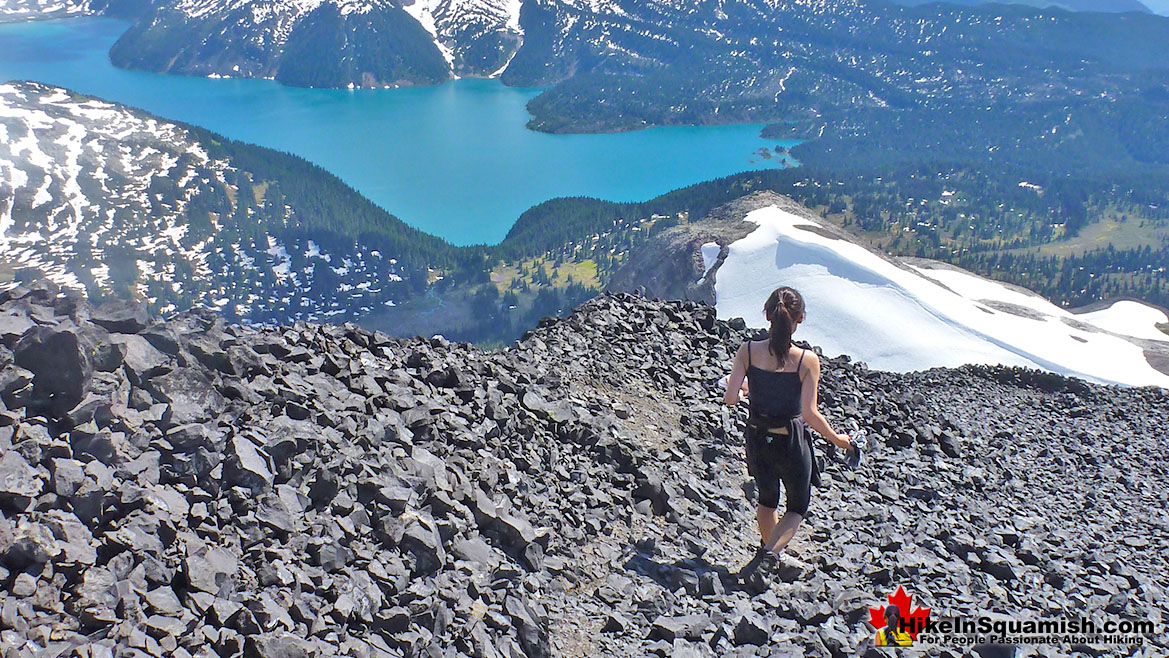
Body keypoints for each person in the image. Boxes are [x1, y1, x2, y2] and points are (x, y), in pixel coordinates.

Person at [724, 286, 856, 570]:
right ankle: (770, 558)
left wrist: (746, 389)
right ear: (799, 320)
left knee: (767, 500)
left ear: (768, 316)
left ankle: (768, 554)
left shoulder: (747, 350)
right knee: (796, 506)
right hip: (791, 443)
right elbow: (809, 413)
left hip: (758, 438)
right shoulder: (807, 360)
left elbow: (730, 399)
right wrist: (838, 439)